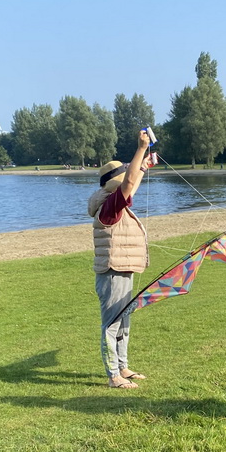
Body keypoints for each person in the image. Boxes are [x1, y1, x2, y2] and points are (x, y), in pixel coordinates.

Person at [87, 130, 152, 389]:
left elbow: (131, 183)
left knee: (124, 320)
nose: (130, 181)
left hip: (123, 269)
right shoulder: (110, 206)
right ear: (113, 183)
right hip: (112, 271)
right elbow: (128, 185)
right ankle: (114, 375)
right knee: (112, 325)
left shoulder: (115, 201)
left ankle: (123, 368)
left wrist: (144, 165)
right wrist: (140, 149)